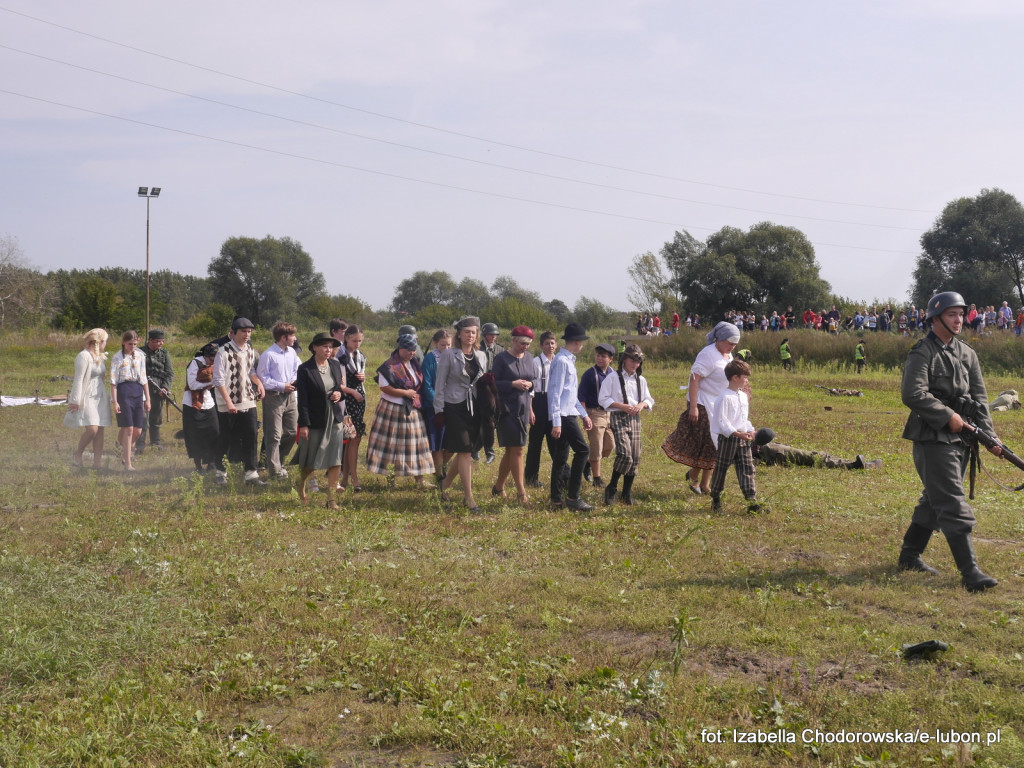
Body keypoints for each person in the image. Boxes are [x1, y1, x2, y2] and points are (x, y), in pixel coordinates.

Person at [898, 291, 1003, 592]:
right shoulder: (922, 352)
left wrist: (990, 437)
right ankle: (970, 573)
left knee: (935, 499)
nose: (959, 320)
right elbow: (913, 393)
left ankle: (909, 556)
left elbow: (980, 399)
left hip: (963, 437)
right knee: (951, 500)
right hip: (932, 435)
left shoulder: (968, 354)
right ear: (936, 318)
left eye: (961, 314)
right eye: (952, 314)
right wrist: (948, 415)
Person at [662, 321, 741, 495]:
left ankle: (696, 477)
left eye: (735, 344)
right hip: (703, 403)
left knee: (714, 444)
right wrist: (693, 407)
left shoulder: (728, 354)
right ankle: (701, 483)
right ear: (719, 339)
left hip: (718, 404)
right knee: (710, 444)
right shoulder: (708, 354)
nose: (732, 347)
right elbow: (694, 380)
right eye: (730, 343)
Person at [366, 334, 434, 487]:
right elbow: (384, 387)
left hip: (412, 409)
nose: (411, 352)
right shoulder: (389, 366)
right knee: (391, 445)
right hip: (392, 409)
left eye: (413, 350)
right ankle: (391, 480)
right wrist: (405, 393)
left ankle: (420, 480)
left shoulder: (414, 363)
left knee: (416, 444)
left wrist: (412, 395)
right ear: (400, 348)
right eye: (408, 349)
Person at [435, 317, 488, 511]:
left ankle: (444, 485)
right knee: (465, 451)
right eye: (467, 332)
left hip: (474, 408)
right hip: (453, 406)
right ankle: (468, 497)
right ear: (459, 334)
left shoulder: (481, 356)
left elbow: (482, 384)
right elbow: (440, 384)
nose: (470, 335)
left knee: (465, 449)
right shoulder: (449, 355)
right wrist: (439, 411)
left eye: (473, 332)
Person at [212, 317, 266, 486]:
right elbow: (218, 380)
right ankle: (220, 472)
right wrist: (228, 402)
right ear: (233, 333)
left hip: (247, 399)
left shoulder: (250, 350)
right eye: (243, 331)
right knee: (226, 437)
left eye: (249, 332)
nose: (246, 335)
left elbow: (250, 370)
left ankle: (251, 474)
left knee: (251, 434)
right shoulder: (223, 352)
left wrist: (259, 383)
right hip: (227, 401)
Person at [295, 332, 346, 509]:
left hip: (335, 418)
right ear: (314, 348)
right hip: (315, 419)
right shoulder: (305, 369)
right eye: (324, 346)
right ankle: (301, 484)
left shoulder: (335, 364)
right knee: (311, 461)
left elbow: (339, 388)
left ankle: (331, 500)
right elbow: (303, 399)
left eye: (330, 347)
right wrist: (304, 424)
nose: (328, 350)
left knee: (335, 460)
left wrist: (339, 394)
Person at [599, 343, 654, 506]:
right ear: (624, 360)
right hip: (618, 417)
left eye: (638, 362)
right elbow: (603, 399)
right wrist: (622, 406)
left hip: (634, 419)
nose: (635, 364)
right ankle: (611, 488)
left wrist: (642, 404)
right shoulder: (613, 377)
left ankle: (626, 493)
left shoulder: (641, 380)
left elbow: (649, 399)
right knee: (625, 454)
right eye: (632, 361)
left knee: (635, 456)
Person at [548, 323, 594, 511]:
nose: (582, 345)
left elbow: (570, 394)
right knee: (583, 451)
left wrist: (583, 414)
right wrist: (556, 422)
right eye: (582, 341)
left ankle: (556, 499)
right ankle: (573, 497)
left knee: (560, 457)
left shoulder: (568, 361)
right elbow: (555, 394)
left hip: (569, 413)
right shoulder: (561, 361)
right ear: (576, 341)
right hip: (564, 416)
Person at [708, 359, 763, 514]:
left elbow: (743, 418)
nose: (746, 381)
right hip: (728, 439)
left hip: (743, 439)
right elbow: (722, 421)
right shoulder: (724, 397)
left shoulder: (743, 396)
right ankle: (716, 499)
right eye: (744, 377)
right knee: (722, 468)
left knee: (747, 467)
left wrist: (750, 430)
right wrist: (737, 433)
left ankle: (752, 501)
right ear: (735, 378)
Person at [491, 326, 535, 503]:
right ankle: (521, 492)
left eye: (528, 344)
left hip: (523, 408)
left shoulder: (529, 358)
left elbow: (532, 380)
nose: (525, 347)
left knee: (511, 450)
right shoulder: (501, 358)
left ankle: (498, 487)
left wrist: (530, 385)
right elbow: (493, 383)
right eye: (522, 343)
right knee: (518, 449)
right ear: (514, 340)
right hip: (506, 409)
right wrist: (512, 384)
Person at [257, 321, 300, 479]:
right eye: (292, 335)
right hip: (273, 397)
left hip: (290, 396)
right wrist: (282, 386)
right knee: (273, 435)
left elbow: (295, 370)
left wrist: (292, 382)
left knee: (292, 432)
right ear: (283, 337)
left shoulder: (292, 353)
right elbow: (263, 379)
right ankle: (275, 471)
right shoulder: (268, 355)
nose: (295, 338)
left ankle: (277, 461)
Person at [65, 328, 112, 469]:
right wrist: (75, 400)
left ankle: (97, 463)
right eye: (105, 341)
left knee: (100, 429)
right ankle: (78, 454)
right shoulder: (83, 356)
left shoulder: (99, 356)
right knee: (92, 428)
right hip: (87, 395)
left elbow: (101, 376)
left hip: (100, 395)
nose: (106, 344)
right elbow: (79, 379)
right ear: (100, 342)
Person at [109, 330, 151, 471]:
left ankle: (122, 448)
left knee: (138, 430)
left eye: (134, 344)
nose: (132, 347)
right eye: (130, 344)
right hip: (124, 391)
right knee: (128, 428)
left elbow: (144, 378)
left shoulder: (140, 356)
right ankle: (127, 462)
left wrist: (147, 399)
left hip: (137, 391)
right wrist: (115, 401)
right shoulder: (117, 357)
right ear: (123, 343)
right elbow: (113, 381)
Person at [578, 342, 616, 488]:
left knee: (610, 445)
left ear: (610, 359)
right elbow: (581, 397)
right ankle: (597, 478)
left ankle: (588, 463)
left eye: (603, 356)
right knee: (596, 445)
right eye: (598, 355)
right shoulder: (589, 374)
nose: (599, 358)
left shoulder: (613, 374)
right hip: (594, 412)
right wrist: (585, 416)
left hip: (609, 413)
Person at [752, 428, 881, 469]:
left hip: (762, 449)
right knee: (812, 457)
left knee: (811, 457)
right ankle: (854, 465)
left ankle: (852, 463)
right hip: (765, 451)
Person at [524, 330, 557, 488]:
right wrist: (530, 410)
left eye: (552, 343)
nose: (550, 346)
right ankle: (531, 478)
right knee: (535, 443)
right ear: (541, 346)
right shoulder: (536, 362)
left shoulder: (558, 361)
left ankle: (562, 476)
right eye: (547, 344)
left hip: (554, 402)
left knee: (556, 441)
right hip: (539, 401)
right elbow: (530, 389)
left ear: (556, 345)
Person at [338, 324, 368, 492]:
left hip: (359, 400)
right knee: (353, 438)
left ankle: (345, 479)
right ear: (346, 338)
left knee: (353, 440)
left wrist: (363, 377)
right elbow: (338, 384)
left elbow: (360, 376)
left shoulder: (360, 356)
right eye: (354, 340)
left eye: (360, 341)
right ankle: (354, 479)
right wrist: (353, 392)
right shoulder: (340, 356)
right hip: (347, 401)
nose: (357, 344)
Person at [182, 343, 221, 473]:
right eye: (211, 359)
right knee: (194, 435)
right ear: (206, 356)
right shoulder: (195, 363)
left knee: (214, 431)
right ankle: (198, 466)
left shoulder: (215, 364)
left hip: (208, 402)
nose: (213, 362)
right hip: (192, 404)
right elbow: (192, 385)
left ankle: (211, 462)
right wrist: (210, 383)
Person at [421, 329, 452, 484]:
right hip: (434, 407)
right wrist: (439, 403)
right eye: (442, 345)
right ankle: (440, 475)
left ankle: (441, 466)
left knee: (451, 442)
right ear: (435, 343)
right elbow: (426, 385)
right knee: (437, 442)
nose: (446, 348)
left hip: (452, 404)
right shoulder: (430, 359)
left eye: (449, 345)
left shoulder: (454, 356)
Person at [138, 328, 174, 452]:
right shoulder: (140, 352)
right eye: (158, 341)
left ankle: (155, 442)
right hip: (143, 389)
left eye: (162, 341)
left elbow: (169, 373)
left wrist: (165, 387)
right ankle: (140, 445)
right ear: (150, 340)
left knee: (156, 418)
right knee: (143, 418)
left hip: (158, 389)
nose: (161, 343)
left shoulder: (164, 354)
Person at [478, 322, 504, 463]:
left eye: (495, 334)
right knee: (482, 419)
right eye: (490, 334)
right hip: (480, 386)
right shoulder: (477, 348)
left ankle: (487, 450)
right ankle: (482, 449)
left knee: (491, 418)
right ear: (484, 335)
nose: (493, 337)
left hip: (495, 387)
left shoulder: (500, 350)